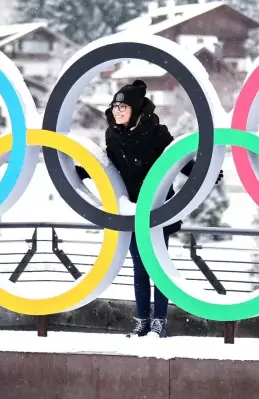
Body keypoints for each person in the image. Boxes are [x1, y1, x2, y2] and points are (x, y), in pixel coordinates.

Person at [74, 79, 222, 338]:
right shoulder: (113, 135)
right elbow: (110, 165)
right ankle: (142, 321)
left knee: (158, 266)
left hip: (157, 211)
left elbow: (176, 161)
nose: (117, 111)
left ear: (135, 109)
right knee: (140, 266)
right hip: (131, 211)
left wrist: (204, 173)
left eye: (123, 107)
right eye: (115, 106)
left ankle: (159, 322)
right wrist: (83, 172)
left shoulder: (157, 132)